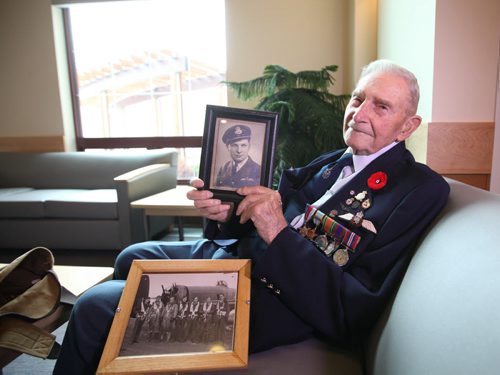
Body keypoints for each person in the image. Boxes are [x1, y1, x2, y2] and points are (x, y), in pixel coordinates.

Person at [54, 60, 450, 374]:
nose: (359, 113)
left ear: (407, 126)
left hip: (281, 300)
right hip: (248, 258)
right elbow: (272, 213)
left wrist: (276, 229)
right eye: (358, 99)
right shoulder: (335, 161)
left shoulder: (419, 190)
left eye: (381, 106)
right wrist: (227, 212)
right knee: (131, 255)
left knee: (94, 308)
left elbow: (355, 306)